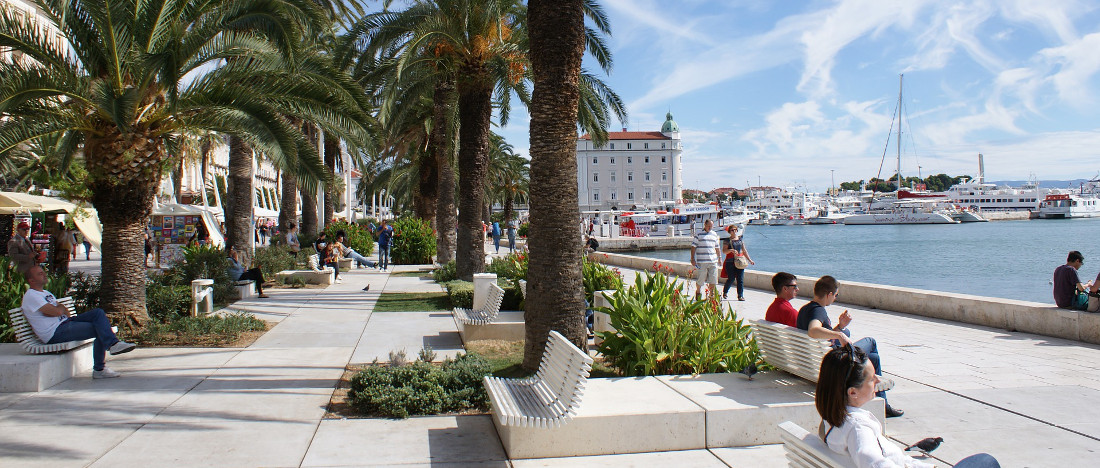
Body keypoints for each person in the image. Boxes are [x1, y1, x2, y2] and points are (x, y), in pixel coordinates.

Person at [816, 346, 1000, 468]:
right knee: (986, 461)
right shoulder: (858, 427)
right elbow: (871, 460)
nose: (878, 380)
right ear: (852, 392)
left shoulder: (831, 421)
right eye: (872, 379)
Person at [799, 276, 903, 418]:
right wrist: (840, 335)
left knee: (874, 358)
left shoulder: (805, 309)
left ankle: (883, 404)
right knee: (870, 341)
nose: (835, 298)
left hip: (817, 360)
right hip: (835, 363)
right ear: (829, 294)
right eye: (836, 295)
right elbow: (813, 330)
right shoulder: (818, 311)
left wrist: (840, 327)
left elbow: (821, 336)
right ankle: (883, 404)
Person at [22, 265, 137, 378]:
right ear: (31, 280)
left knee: (98, 313)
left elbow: (62, 310)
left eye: (43, 272)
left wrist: (57, 310)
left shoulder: (45, 293)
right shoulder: (31, 296)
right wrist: (57, 310)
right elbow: (56, 312)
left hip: (65, 323)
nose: (44, 274)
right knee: (99, 329)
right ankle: (100, 367)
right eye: (39, 274)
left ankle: (113, 345)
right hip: (55, 332)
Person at [690, 219, 722, 299]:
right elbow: (693, 247)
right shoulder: (698, 234)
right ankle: (698, 292)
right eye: (708, 226)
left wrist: (720, 258)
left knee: (713, 280)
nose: (710, 228)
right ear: (705, 225)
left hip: (713, 261)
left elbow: (717, 247)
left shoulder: (714, 234)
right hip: (702, 261)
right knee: (701, 279)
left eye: (711, 226)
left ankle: (711, 296)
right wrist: (692, 258)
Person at [721, 225, 754, 301]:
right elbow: (724, 251)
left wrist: (750, 260)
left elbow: (744, 250)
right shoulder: (727, 240)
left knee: (740, 279)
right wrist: (731, 250)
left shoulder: (740, 239)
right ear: (729, 231)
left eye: (735, 229)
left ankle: (740, 295)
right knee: (731, 278)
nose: (734, 231)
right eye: (732, 230)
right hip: (730, 262)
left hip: (739, 261)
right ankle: (725, 291)